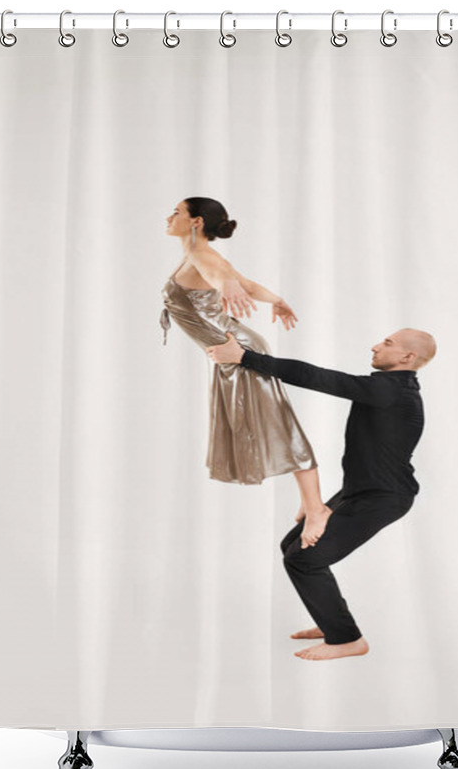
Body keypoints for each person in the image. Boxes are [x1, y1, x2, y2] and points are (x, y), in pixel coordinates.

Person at [206, 327, 437, 661]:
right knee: (292, 546)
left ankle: (347, 639)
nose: (374, 345)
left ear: (407, 357)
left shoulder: (392, 391)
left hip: (384, 498)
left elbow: (318, 377)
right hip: (361, 492)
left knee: (304, 559)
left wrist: (244, 358)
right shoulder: (389, 389)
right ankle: (332, 623)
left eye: (387, 343)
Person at [160, 197, 332, 541]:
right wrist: (277, 300)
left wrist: (229, 285)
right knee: (272, 425)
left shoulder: (202, 254)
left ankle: (316, 507)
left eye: (177, 211)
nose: (169, 216)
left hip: (240, 352)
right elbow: (245, 283)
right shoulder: (197, 255)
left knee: (280, 424)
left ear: (195, 222)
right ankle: (309, 502)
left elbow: (221, 275)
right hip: (232, 352)